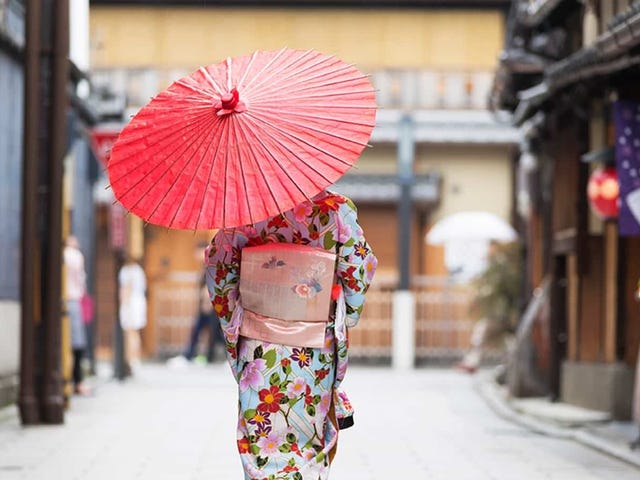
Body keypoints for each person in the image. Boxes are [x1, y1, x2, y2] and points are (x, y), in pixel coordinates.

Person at [205, 190, 377, 480]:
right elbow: (360, 268)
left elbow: (218, 269)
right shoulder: (334, 208)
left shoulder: (242, 211)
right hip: (314, 346)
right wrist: (344, 315)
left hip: (259, 344)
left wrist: (234, 319)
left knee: (262, 439)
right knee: (309, 438)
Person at [167, 273, 223, 367]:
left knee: (217, 333)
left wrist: (208, 302)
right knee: (198, 331)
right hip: (206, 307)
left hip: (213, 307)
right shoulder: (206, 267)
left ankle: (226, 358)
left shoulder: (213, 265)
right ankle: (190, 356)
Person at [64, 236, 91, 396]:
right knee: (77, 343)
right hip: (73, 300)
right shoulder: (74, 255)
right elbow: (81, 281)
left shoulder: (65, 254)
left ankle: (73, 380)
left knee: (71, 343)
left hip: (66, 299)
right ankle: (77, 381)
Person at [118, 256, 147, 371]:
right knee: (135, 332)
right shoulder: (138, 269)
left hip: (131, 303)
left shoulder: (127, 271)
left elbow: (126, 288)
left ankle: (131, 358)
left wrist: (124, 304)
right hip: (139, 301)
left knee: (130, 332)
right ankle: (135, 357)